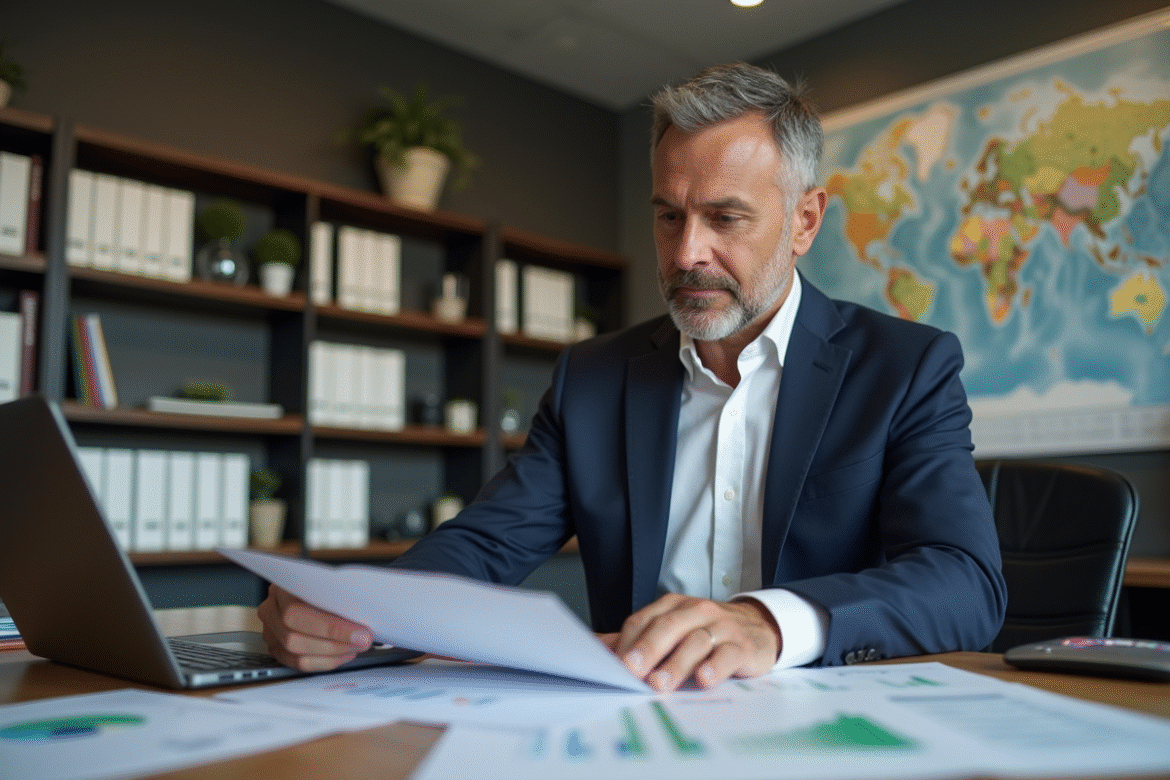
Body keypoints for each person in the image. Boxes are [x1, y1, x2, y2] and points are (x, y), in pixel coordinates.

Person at [259, 62, 1006, 693]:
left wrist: (765, 623)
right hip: (630, 725)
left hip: (827, 727)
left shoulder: (905, 367)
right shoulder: (593, 377)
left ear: (805, 221)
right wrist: (355, 609)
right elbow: (487, 544)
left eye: (725, 218)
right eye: (668, 216)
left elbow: (964, 582)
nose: (686, 254)